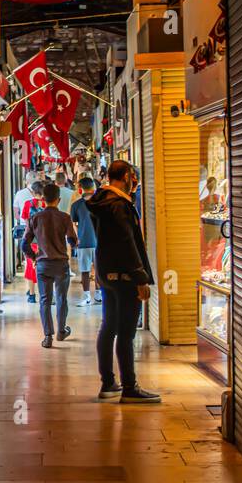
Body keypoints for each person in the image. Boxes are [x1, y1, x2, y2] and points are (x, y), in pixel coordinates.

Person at [88, 160, 160, 402]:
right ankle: (130, 387)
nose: (135, 181)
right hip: (125, 276)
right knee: (126, 333)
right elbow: (127, 243)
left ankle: (108, 383)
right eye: (133, 176)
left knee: (109, 327)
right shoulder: (118, 204)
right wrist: (140, 277)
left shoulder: (103, 200)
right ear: (127, 176)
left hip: (108, 274)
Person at [22, 181, 77, 348]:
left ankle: (48, 337)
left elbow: (24, 244)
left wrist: (33, 258)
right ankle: (61, 331)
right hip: (60, 264)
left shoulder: (35, 218)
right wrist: (71, 244)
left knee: (45, 300)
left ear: (43, 200)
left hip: (43, 264)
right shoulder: (65, 218)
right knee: (61, 298)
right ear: (58, 200)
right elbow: (72, 240)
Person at [70, 176, 103, 305]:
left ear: (80, 189)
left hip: (83, 242)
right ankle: (98, 294)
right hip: (99, 242)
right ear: (94, 189)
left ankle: (87, 296)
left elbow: (74, 224)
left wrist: (77, 237)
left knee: (85, 270)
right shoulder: (101, 203)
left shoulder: (76, 206)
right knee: (98, 269)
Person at [20, 180, 44, 303]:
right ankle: (44, 294)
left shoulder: (27, 204)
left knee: (31, 266)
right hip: (44, 240)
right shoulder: (45, 204)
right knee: (44, 266)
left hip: (31, 240)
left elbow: (25, 220)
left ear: (33, 192)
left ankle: (32, 295)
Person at [13, 175, 36, 270]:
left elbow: (16, 212)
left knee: (26, 246)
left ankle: (29, 265)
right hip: (39, 226)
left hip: (24, 225)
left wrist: (21, 221)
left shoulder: (19, 193)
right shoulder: (41, 193)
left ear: (26, 181)